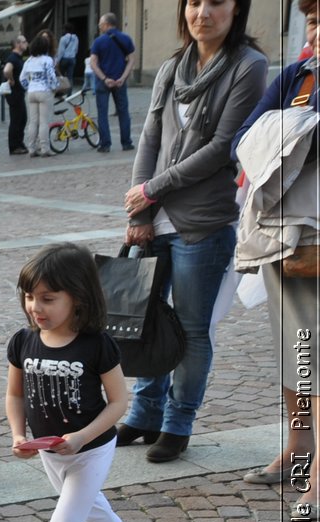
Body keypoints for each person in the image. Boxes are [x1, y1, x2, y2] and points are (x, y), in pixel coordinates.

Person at [116, 0, 267, 463]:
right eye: (193, 3)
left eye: (215, 3)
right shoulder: (172, 66)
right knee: (145, 319)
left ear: (236, 9)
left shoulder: (249, 66)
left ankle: (178, 424)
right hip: (155, 218)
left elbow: (224, 147)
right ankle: (143, 413)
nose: (203, 12)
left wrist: (152, 189)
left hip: (202, 222)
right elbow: (150, 138)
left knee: (193, 329)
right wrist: (140, 212)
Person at [5, 243, 152, 522]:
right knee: (93, 510)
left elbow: (119, 402)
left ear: (78, 298)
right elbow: (14, 394)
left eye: (47, 298)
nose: (35, 307)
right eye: (29, 297)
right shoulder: (23, 341)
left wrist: (83, 437)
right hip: (49, 451)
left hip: (92, 449)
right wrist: (18, 435)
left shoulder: (96, 345)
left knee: (66, 520)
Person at [231, 0, 318, 520]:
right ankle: (299, 447)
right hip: (285, 239)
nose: (317, 28)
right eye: (312, 20)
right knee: (292, 351)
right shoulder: (297, 76)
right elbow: (244, 137)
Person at [89, 12, 139, 152]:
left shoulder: (98, 41)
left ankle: (105, 145)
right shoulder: (126, 38)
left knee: (102, 113)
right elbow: (132, 60)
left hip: (103, 83)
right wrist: (123, 77)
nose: (100, 28)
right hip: (120, 82)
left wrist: (104, 78)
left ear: (106, 24)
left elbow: (93, 63)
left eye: (100, 25)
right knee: (123, 112)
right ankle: (126, 143)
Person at [21, 34, 60, 157]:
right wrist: (54, 87)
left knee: (32, 122)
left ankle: (31, 148)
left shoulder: (29, 60)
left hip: (31, 92)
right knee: (44, 122)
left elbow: (22, 78)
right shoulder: (47, 60)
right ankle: (45, 148)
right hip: (44, 92)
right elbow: (51, 77)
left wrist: (28, 87)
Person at [3, 35, 30, 156]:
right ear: (18, 44)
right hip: (14, 93)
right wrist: (11, 79)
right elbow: (7, 70)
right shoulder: (13, 58)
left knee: (22, 118)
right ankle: (14, 146)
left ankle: (19, 143)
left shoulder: (18, 58)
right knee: (16, 119)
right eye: (24, 42)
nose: (26, 44)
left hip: (19, 92)